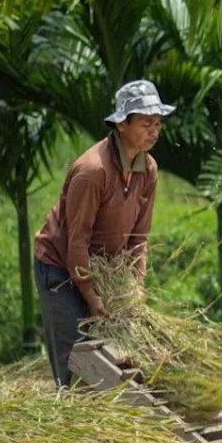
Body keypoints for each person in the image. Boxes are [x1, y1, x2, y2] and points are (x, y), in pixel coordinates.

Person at [32, 80, 175, 386]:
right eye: (146, 123)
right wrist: (90, 294)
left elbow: (139, 238)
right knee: (76, 358)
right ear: (122, 124)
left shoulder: (148, 169)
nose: (154, 131)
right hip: (60, 267)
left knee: (117, 356)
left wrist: (135, 286)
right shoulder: (93, 171)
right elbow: (77, 240)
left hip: (101, 267)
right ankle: (72, 421)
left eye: (158, 123)